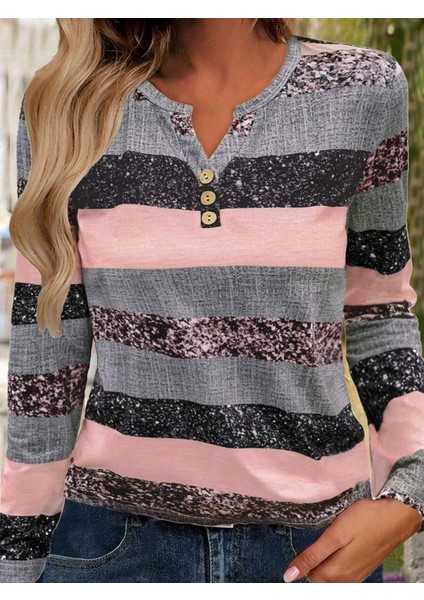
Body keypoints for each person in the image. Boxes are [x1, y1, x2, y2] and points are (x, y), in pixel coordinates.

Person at [0, 17, 423, 584]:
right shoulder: (69, 103)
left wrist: (410, 494)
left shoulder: (360, 87)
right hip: (110, 549)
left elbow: (381, 312)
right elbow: (45, 358)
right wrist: (17, 569)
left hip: (315, 550)